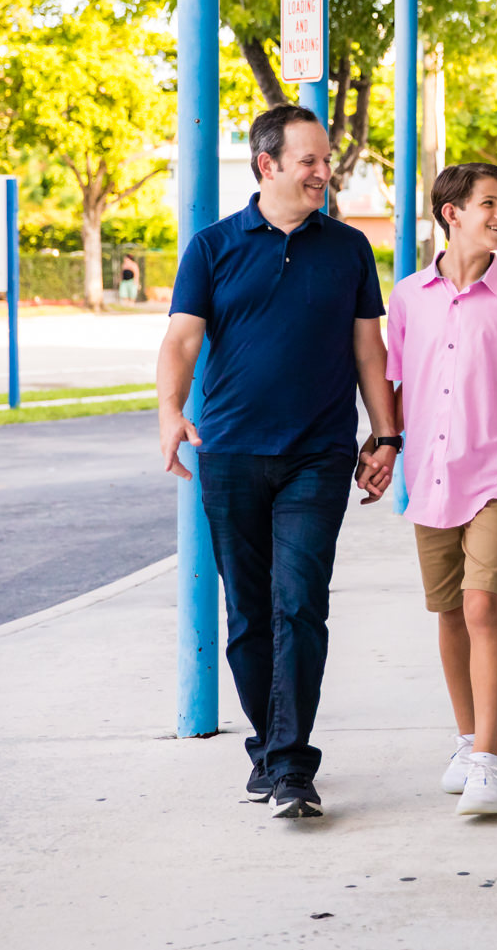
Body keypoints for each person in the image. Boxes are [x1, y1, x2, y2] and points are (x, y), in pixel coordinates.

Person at [156, 104, 400, 821]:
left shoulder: (349, 249)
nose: (326, 172)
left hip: (318, 455)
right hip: (229, 453)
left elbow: (368, 352)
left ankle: (292, 762)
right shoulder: (213, 247)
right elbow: (181, 341)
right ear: (267, 165)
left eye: (327, 160)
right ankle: (269, 745)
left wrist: (385, 437)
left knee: (300, 601)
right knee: (249, 616)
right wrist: (171, 410)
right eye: (311, 161)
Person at [386, 161, 497, 817]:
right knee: (446, 612)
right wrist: (384, 449)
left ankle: (488, 760)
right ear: (451, 212)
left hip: (496, 475)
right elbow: (395, 386)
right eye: (489, 204)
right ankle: (466, 741)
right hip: (428, 479)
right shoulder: (407, 297)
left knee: (480, 606)